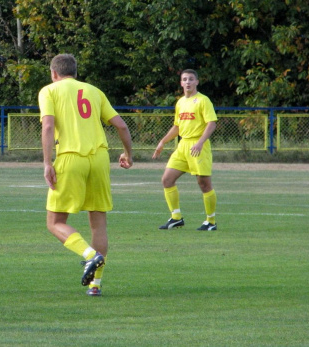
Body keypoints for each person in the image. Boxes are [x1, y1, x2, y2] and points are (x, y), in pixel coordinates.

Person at [39, 54, 133, 297]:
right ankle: (96, 285)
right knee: (98, 223)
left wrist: (47, 162)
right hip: (100, 159)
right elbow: (121, 125)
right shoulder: (94, 91)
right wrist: (127, 154)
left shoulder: (49, 91)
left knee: (55, 222)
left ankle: (91, 256)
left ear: (54, 73)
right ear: (75, 72)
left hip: (71, 158)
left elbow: (48, 126)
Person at [152, 69, 218, 231]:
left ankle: (211, 221)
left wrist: (201, 142)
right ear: (181, 83)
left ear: (197, 82)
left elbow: (212, 123)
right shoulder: (180, 102)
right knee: (167, 180)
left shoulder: (203, 100)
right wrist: (162, 142)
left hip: (198, 145)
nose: (188, 82)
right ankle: (176, 218)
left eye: (191, 79)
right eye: (184, 79)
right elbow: (177, 126)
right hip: (183, 146)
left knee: (204, 184)